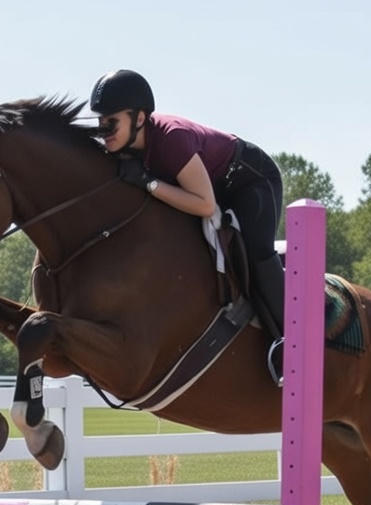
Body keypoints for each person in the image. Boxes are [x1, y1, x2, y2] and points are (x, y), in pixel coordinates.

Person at [89, 69, 287, 382]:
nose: (105, 131)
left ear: (139, 118)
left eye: (111, 122)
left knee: (253, 249)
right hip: (213, 186)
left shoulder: (170, 140)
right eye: (100, 124)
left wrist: (148, 183)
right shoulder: (126, 146)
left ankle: (290, 342)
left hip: (251, 181)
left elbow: (205, 204)